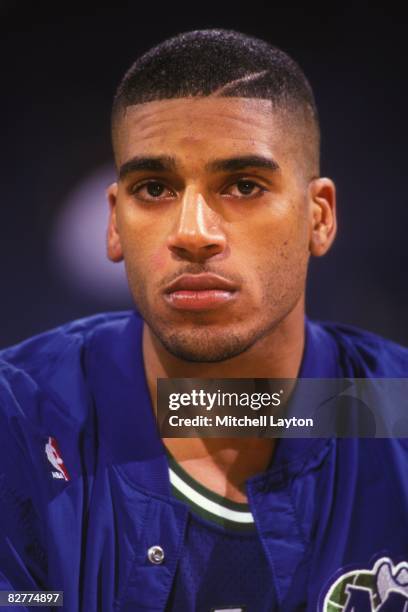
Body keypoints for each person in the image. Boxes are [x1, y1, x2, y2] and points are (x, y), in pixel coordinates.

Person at [0, 29, 407, 612]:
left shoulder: (397, 413)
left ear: (319, 218)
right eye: (155, 188)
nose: (193, 232)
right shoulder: (18, 421)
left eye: (244, 186)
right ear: (115, 223)